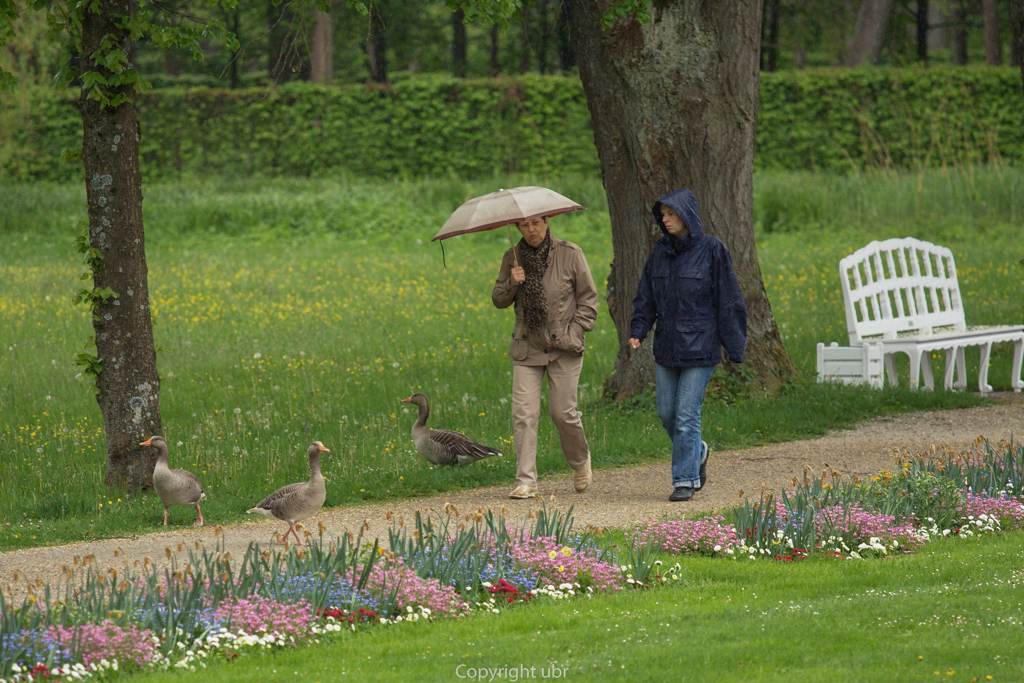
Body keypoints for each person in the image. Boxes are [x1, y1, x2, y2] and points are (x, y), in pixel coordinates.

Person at [628, 189, 747, 502]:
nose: (665, 220)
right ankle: (699, 450)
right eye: (662, 215)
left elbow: (729, 298)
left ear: (686, 215)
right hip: (667, 346)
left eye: (670, 214)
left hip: (701, 348)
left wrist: (735, 346)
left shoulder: (712, 250)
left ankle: (685, 479)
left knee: (685, 415)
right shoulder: (659, 252)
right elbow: (646, 295)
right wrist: (639, 329)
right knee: (667, 413)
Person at [492, 215, 599, 499]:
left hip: (564, 347)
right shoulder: (511, 257)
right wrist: (513, 284)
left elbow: (589, 301)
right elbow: (499, 299)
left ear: (547, 221)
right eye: (525, 225)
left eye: (536, 223)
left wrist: (574, 333)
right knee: (524, 414)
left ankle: (579, 461)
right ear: (517, 227)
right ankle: (526, 480)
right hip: (527, 346)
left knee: (562, 412)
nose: (531, 230)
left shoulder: (570, 253)